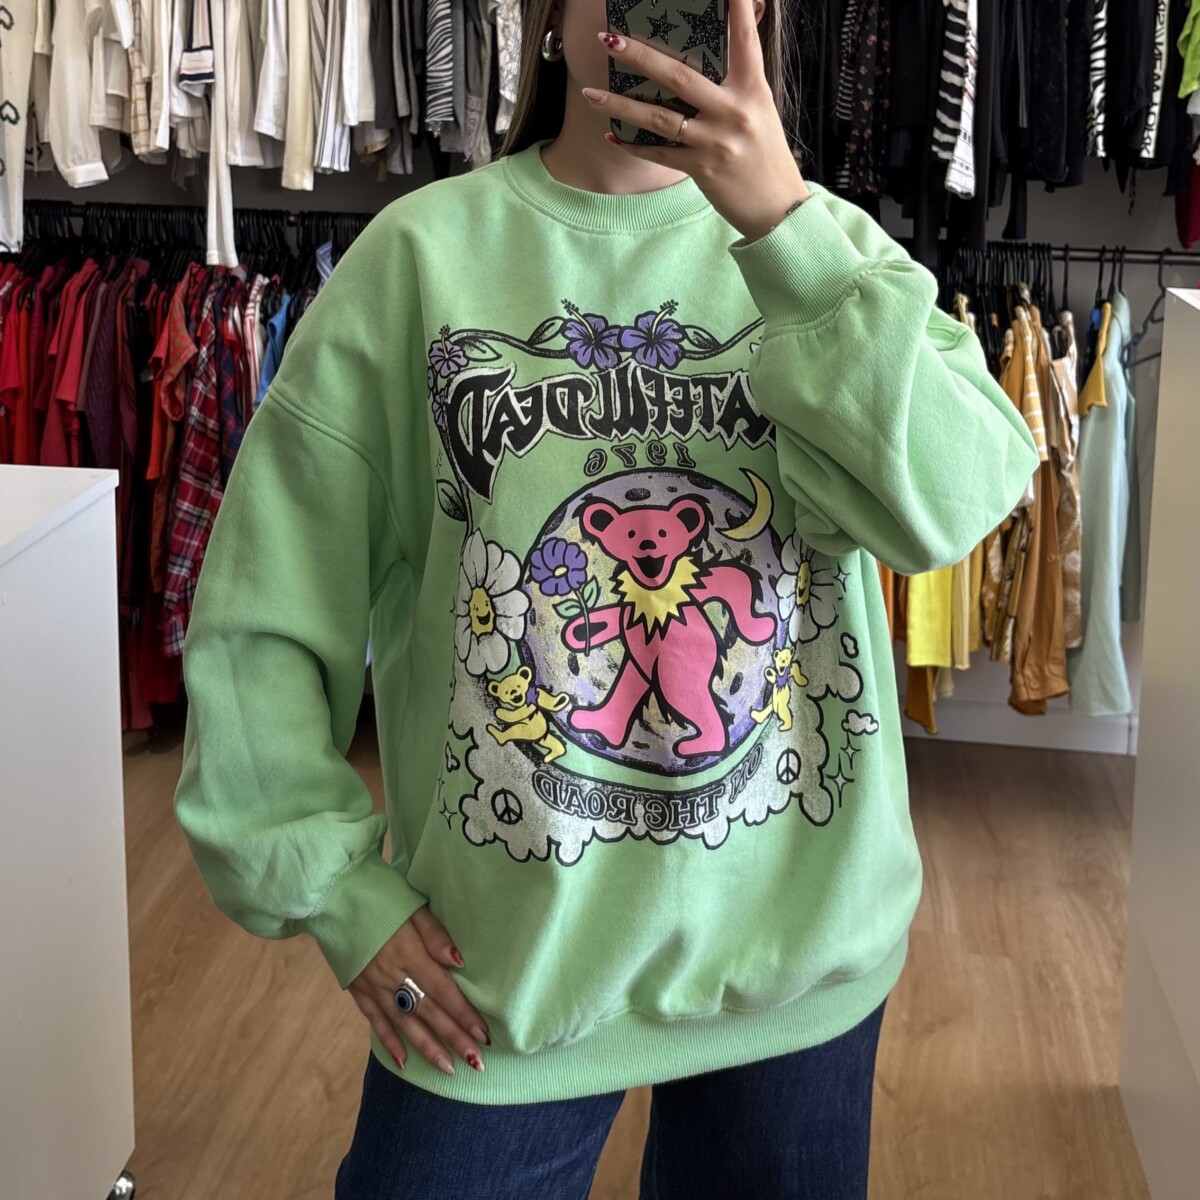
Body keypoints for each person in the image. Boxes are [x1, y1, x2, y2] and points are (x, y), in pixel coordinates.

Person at [173, 0, 1040, 1196]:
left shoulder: (831, 248)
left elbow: (959, 501)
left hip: (798, 970)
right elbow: (264, 611)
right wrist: (333, 890)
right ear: (547, 19)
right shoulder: (417, 259)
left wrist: (785, 232)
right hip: (500, 980)